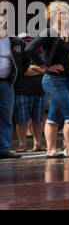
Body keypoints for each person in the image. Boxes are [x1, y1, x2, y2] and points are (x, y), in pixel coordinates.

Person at [26, 1, 69, 156]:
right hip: (53, 80)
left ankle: (51, 150)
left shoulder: (65, 34)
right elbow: (29, 49)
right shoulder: (49, 31)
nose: (65, 16)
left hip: (67, 79)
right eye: (62, 13)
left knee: (54, 116)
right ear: (54, 15)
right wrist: (45, 66)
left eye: (66, 13)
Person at [0, 13, 21, 159]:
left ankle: (3, 148)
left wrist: (15, 75)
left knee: (6, 116)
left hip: (6, 83)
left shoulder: (14, 42)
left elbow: (24, 60)